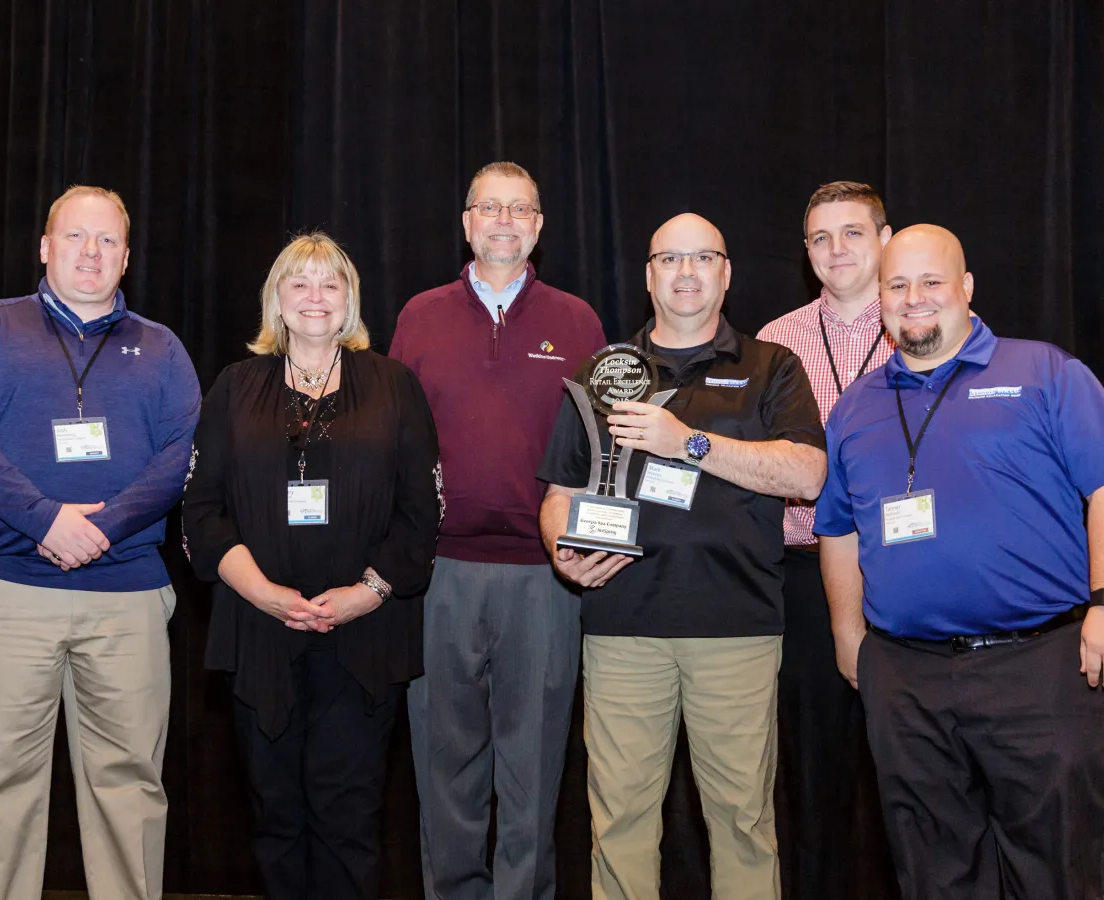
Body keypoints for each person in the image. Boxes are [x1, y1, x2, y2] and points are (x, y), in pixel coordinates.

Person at [815, 224, 1104, 900]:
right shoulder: (854, 408)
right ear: (879, 297)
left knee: (1057, 872)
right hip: (905, 678)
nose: (914, 298)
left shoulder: (1044, 372)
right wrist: (852, 640)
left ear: (965, 288)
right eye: (897, 285)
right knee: (932, 874)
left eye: (931, 281)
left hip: (1041, 669)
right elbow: (838, 529)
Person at [537, 213, 827, 900]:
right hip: (622, 627)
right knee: (621, 822)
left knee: (743, 822)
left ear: (727, 272)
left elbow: (807, 476)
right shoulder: (603, 371)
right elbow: (558, 490)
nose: (687, 273)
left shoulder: (771, 366)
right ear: (648, 275)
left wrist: (688, 442)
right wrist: (561, 548)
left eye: (703, 258)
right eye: (670, 259)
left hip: (738, 629)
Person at [0, 185, 200, 900]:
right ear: (44, 247)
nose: (91, 252)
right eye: (76, 237)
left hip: (129, 594)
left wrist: (100, 527)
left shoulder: (162, 347)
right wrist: (45, 518)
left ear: (127, 257)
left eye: (107, 241)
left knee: (131, 787)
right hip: (6, 589)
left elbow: (179, 457)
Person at [182, 232, 441, 900]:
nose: (315, 296)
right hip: (259, 632)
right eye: (299, 282)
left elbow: (422, 512)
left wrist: (367, 592)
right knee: (275, 820)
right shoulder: (236, 387)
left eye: (331, 283)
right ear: (277, 299)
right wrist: (264, 592)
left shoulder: (393, 386)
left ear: (350, 299)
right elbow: (202, 511)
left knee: (348, 820)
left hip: (363, 638)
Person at [390, 160, 605, 900]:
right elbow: (395, 443)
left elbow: (598, 454)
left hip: (545, 578)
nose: (504, 222)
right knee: (442, 763)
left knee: (534, 766)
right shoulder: (420, 315)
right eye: (489, 208)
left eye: (520, 209)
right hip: (438, 575)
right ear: (467, 222)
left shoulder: (579, 323)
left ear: (539, 226)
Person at [754, 181, 893, 899]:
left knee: (912, 773)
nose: (836, 250)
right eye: (820, 238)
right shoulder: (775, 342)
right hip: (802, 579)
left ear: (884, 237)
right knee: (812, 773)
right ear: (805, 251)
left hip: (906, 576)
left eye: (852, 233)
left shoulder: (925, 324)